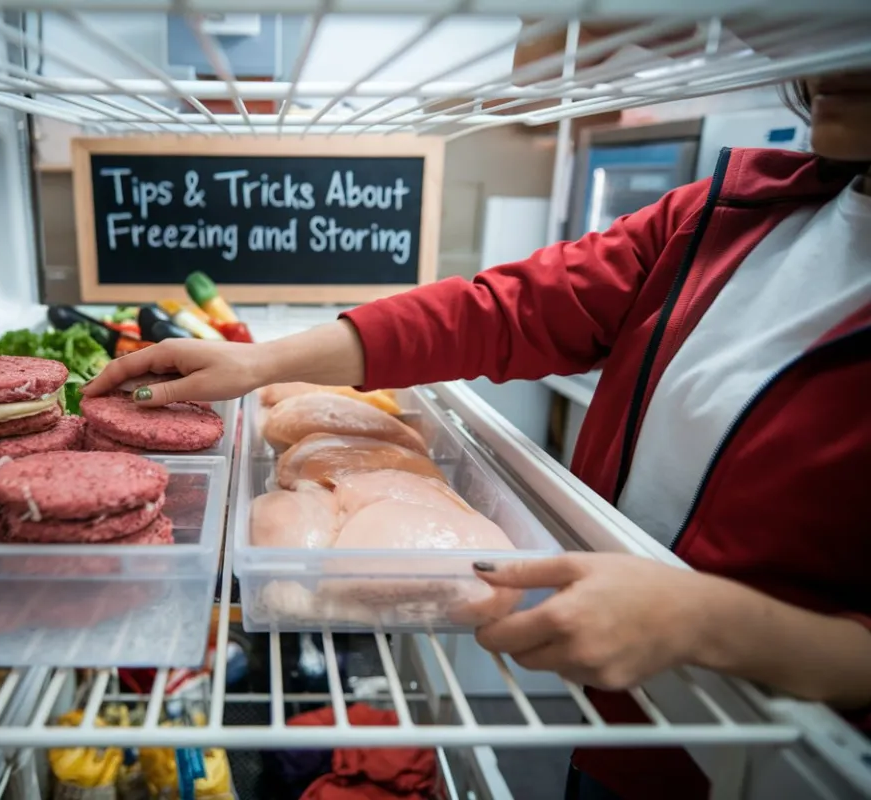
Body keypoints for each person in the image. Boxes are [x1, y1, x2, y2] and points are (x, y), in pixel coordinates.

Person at [85, 72, 871, 800]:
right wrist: (262, 363)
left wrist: (702, 620)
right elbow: (498, 312)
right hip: (613, 712)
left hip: (808, 756)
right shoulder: (728, 212)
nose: (830, 65)